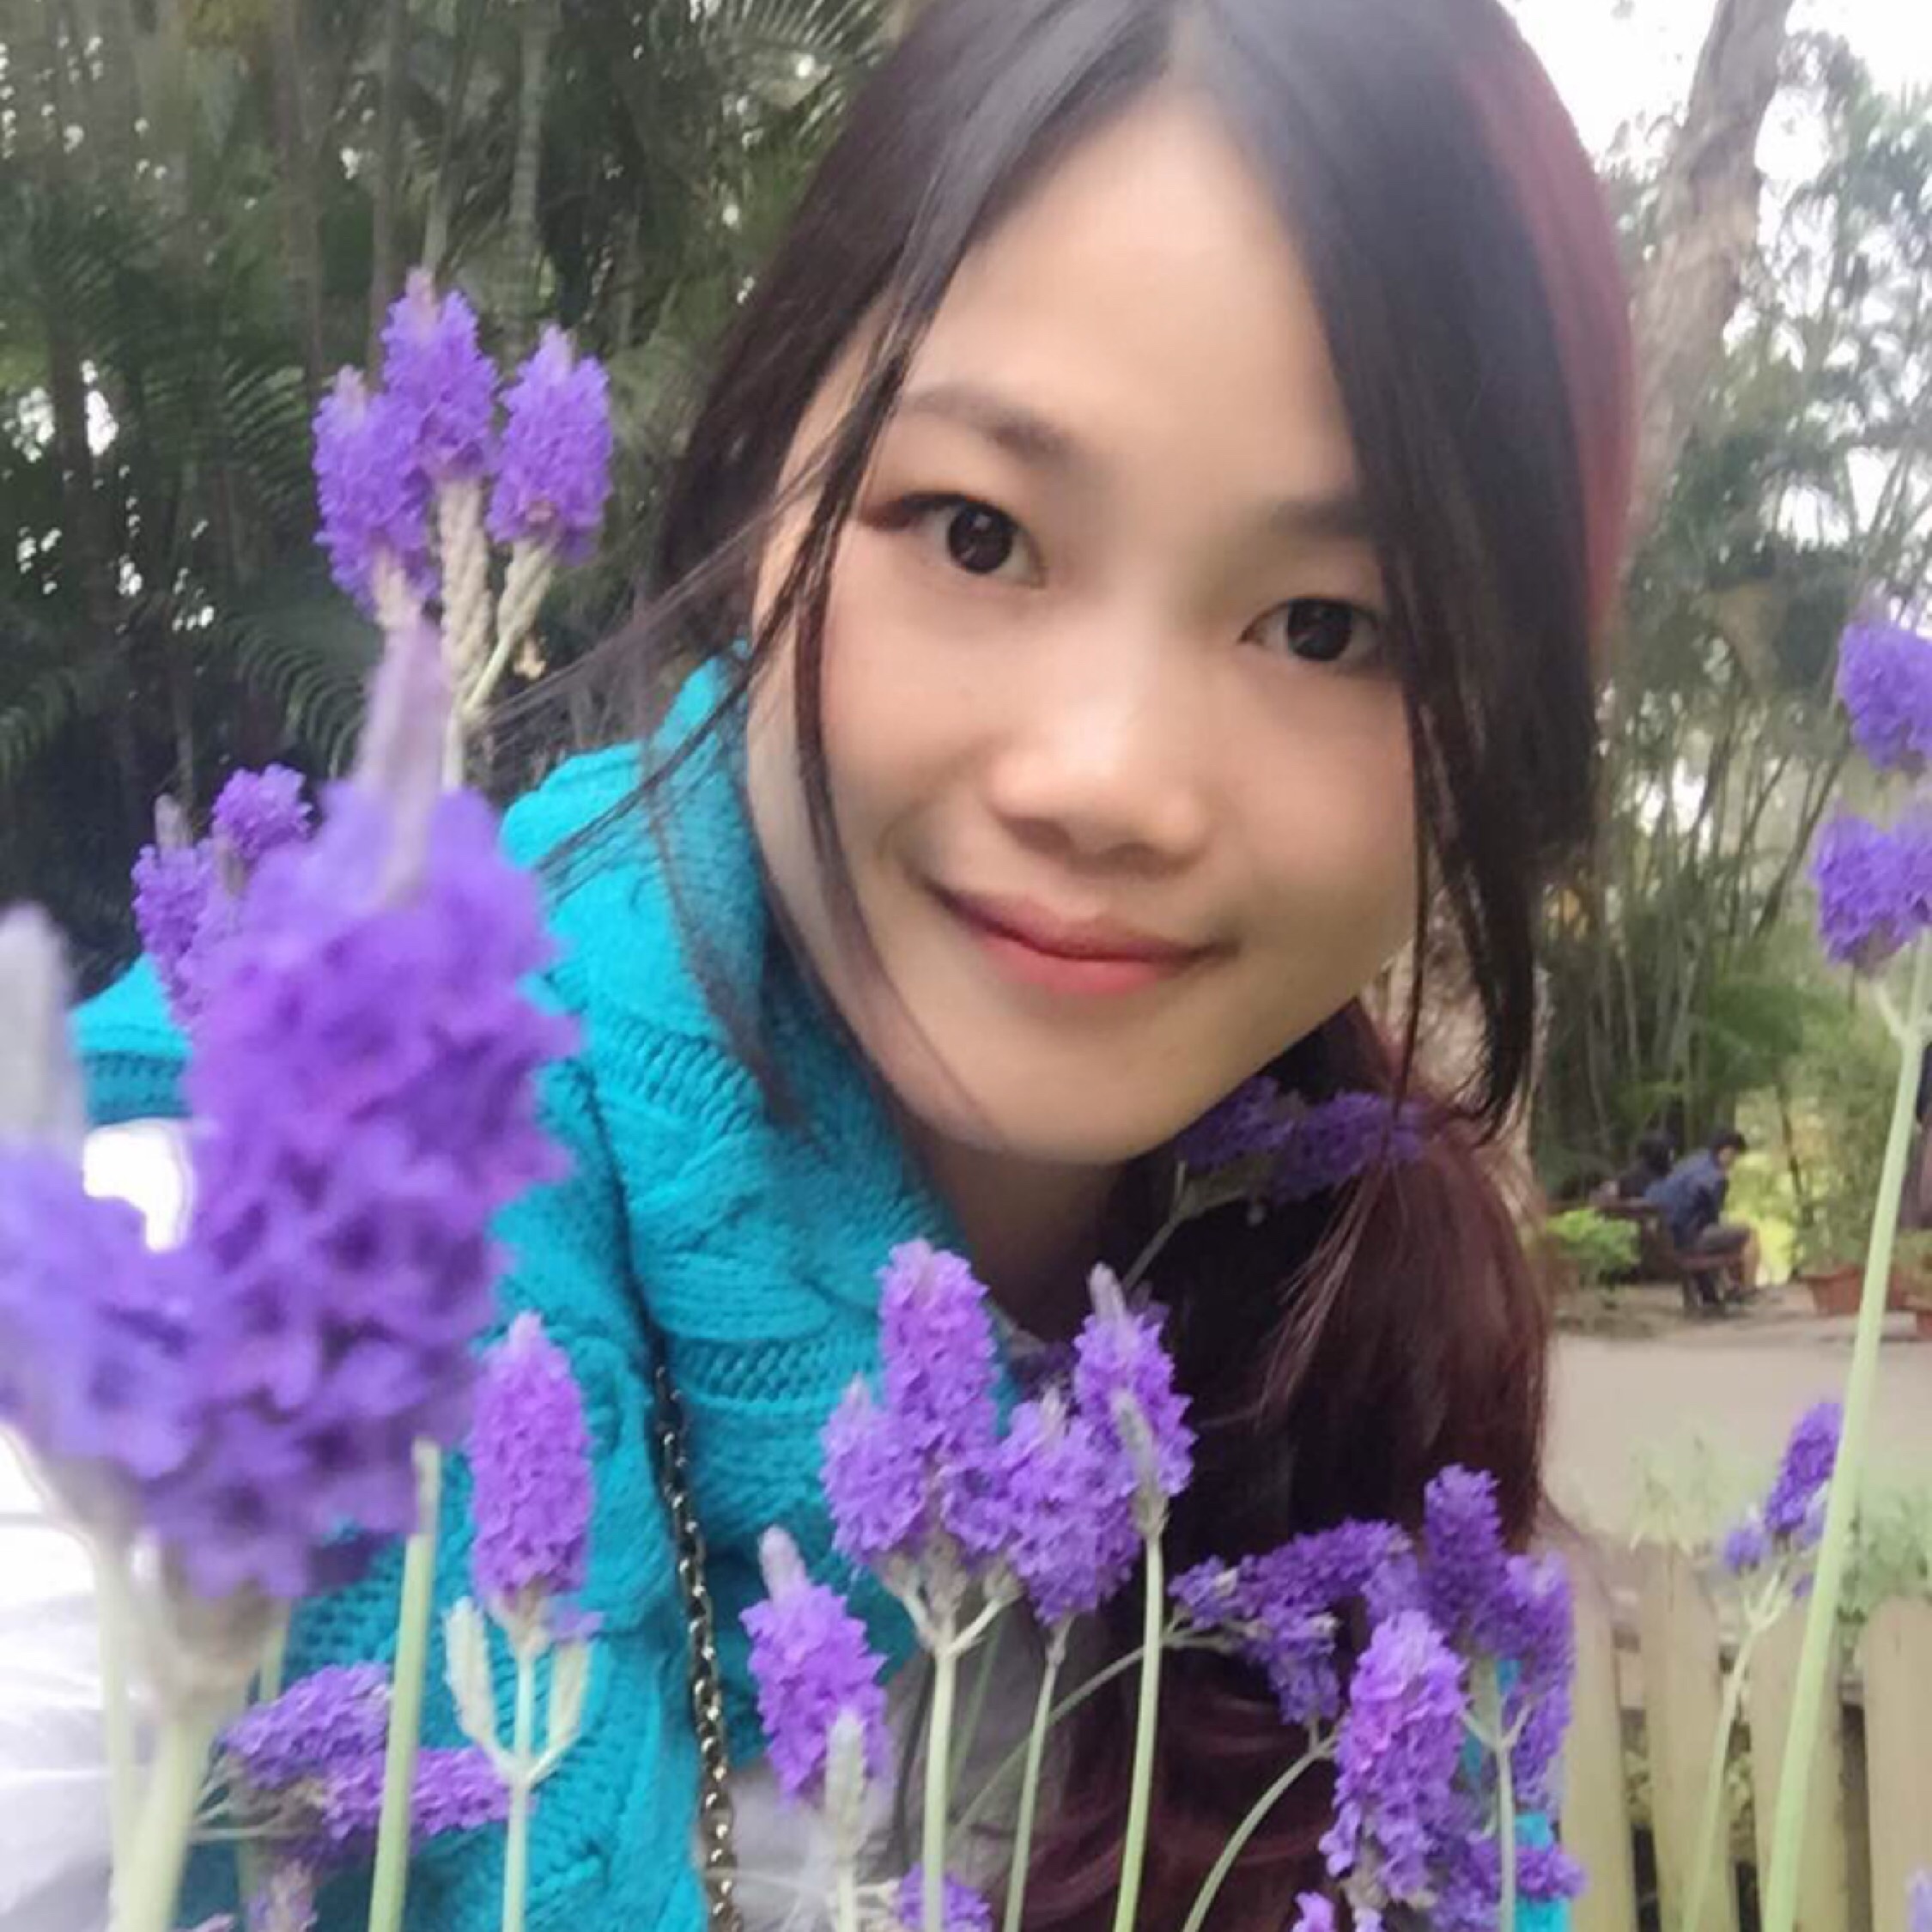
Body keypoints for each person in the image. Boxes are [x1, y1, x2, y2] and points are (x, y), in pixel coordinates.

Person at [41, 0, 1636, 1927]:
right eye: (979, 531)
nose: (1107, 781)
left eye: (1327, 627)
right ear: (757, 495)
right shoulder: (179, 1363)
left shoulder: (1353, 1365)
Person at [1648, 1129, 1760, 1297]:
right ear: (1727, 1151)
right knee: (1749, 1234)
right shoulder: (1715, 1178)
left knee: (1720, 1234)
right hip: (1689, 1240)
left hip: (1669, 1238)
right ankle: (1749, 1289)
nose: (1734, 1162)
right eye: (1735, 1156)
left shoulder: (1689, 1164)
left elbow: (1654, 1193)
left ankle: (1729, 1287)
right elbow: (1711, 1216)